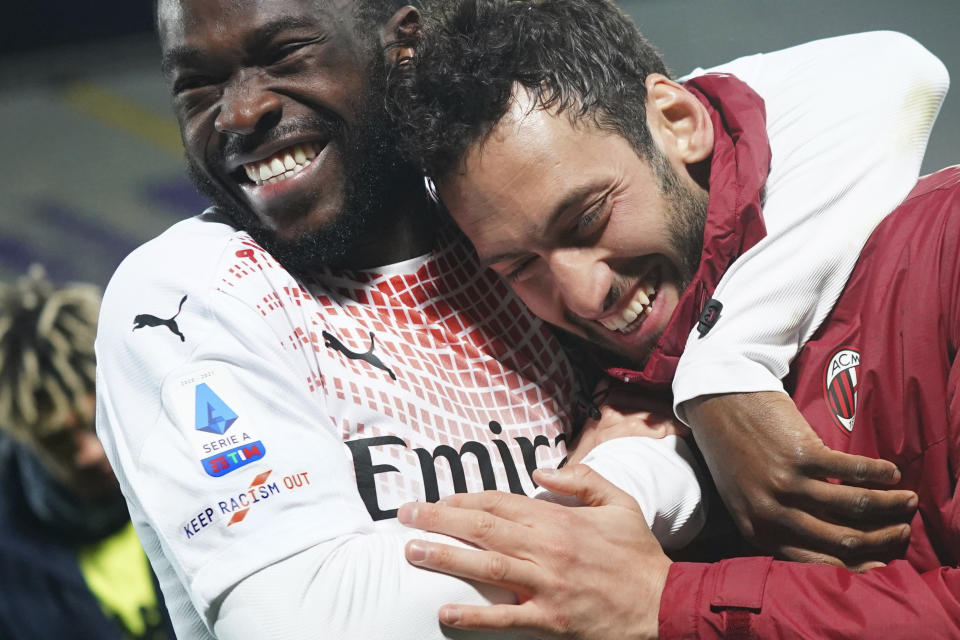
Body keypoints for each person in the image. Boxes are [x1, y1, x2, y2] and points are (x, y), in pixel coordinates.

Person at [96, 0, 943, 638]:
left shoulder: (500, 210)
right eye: (197, 86)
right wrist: (635, 475)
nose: (240, 112)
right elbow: (307, 619)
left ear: (402, 41)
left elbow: (881, 74)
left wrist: (720, 365)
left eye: (283, 53)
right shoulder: (190, 290)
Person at [386, 0, 960, 636]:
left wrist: (668, 600)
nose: (582, 295)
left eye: (587, 219)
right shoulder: (578, 389)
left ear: (680, 122)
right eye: (521, 266)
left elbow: (891, 64)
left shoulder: (944, 253)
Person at [0, 267, 173, 640]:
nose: (91, 453)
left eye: (99, 421)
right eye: (59, 441)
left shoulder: (199, 480)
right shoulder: (10, 560)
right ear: (23, 435)